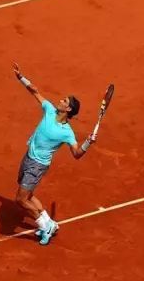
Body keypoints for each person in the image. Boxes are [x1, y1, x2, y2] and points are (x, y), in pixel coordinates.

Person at [12, 62, 96, 245]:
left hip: (38, 165)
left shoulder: (67, 133)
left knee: (20, 199)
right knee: (28, 195)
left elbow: (77, 154)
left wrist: (88, 142)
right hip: (28, 157)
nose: (61, 100)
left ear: (68, 109)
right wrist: (21, 77)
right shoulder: (49, 110)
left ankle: (45, 226)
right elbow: (35, 91)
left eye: (65, 101)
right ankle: (50, 223)